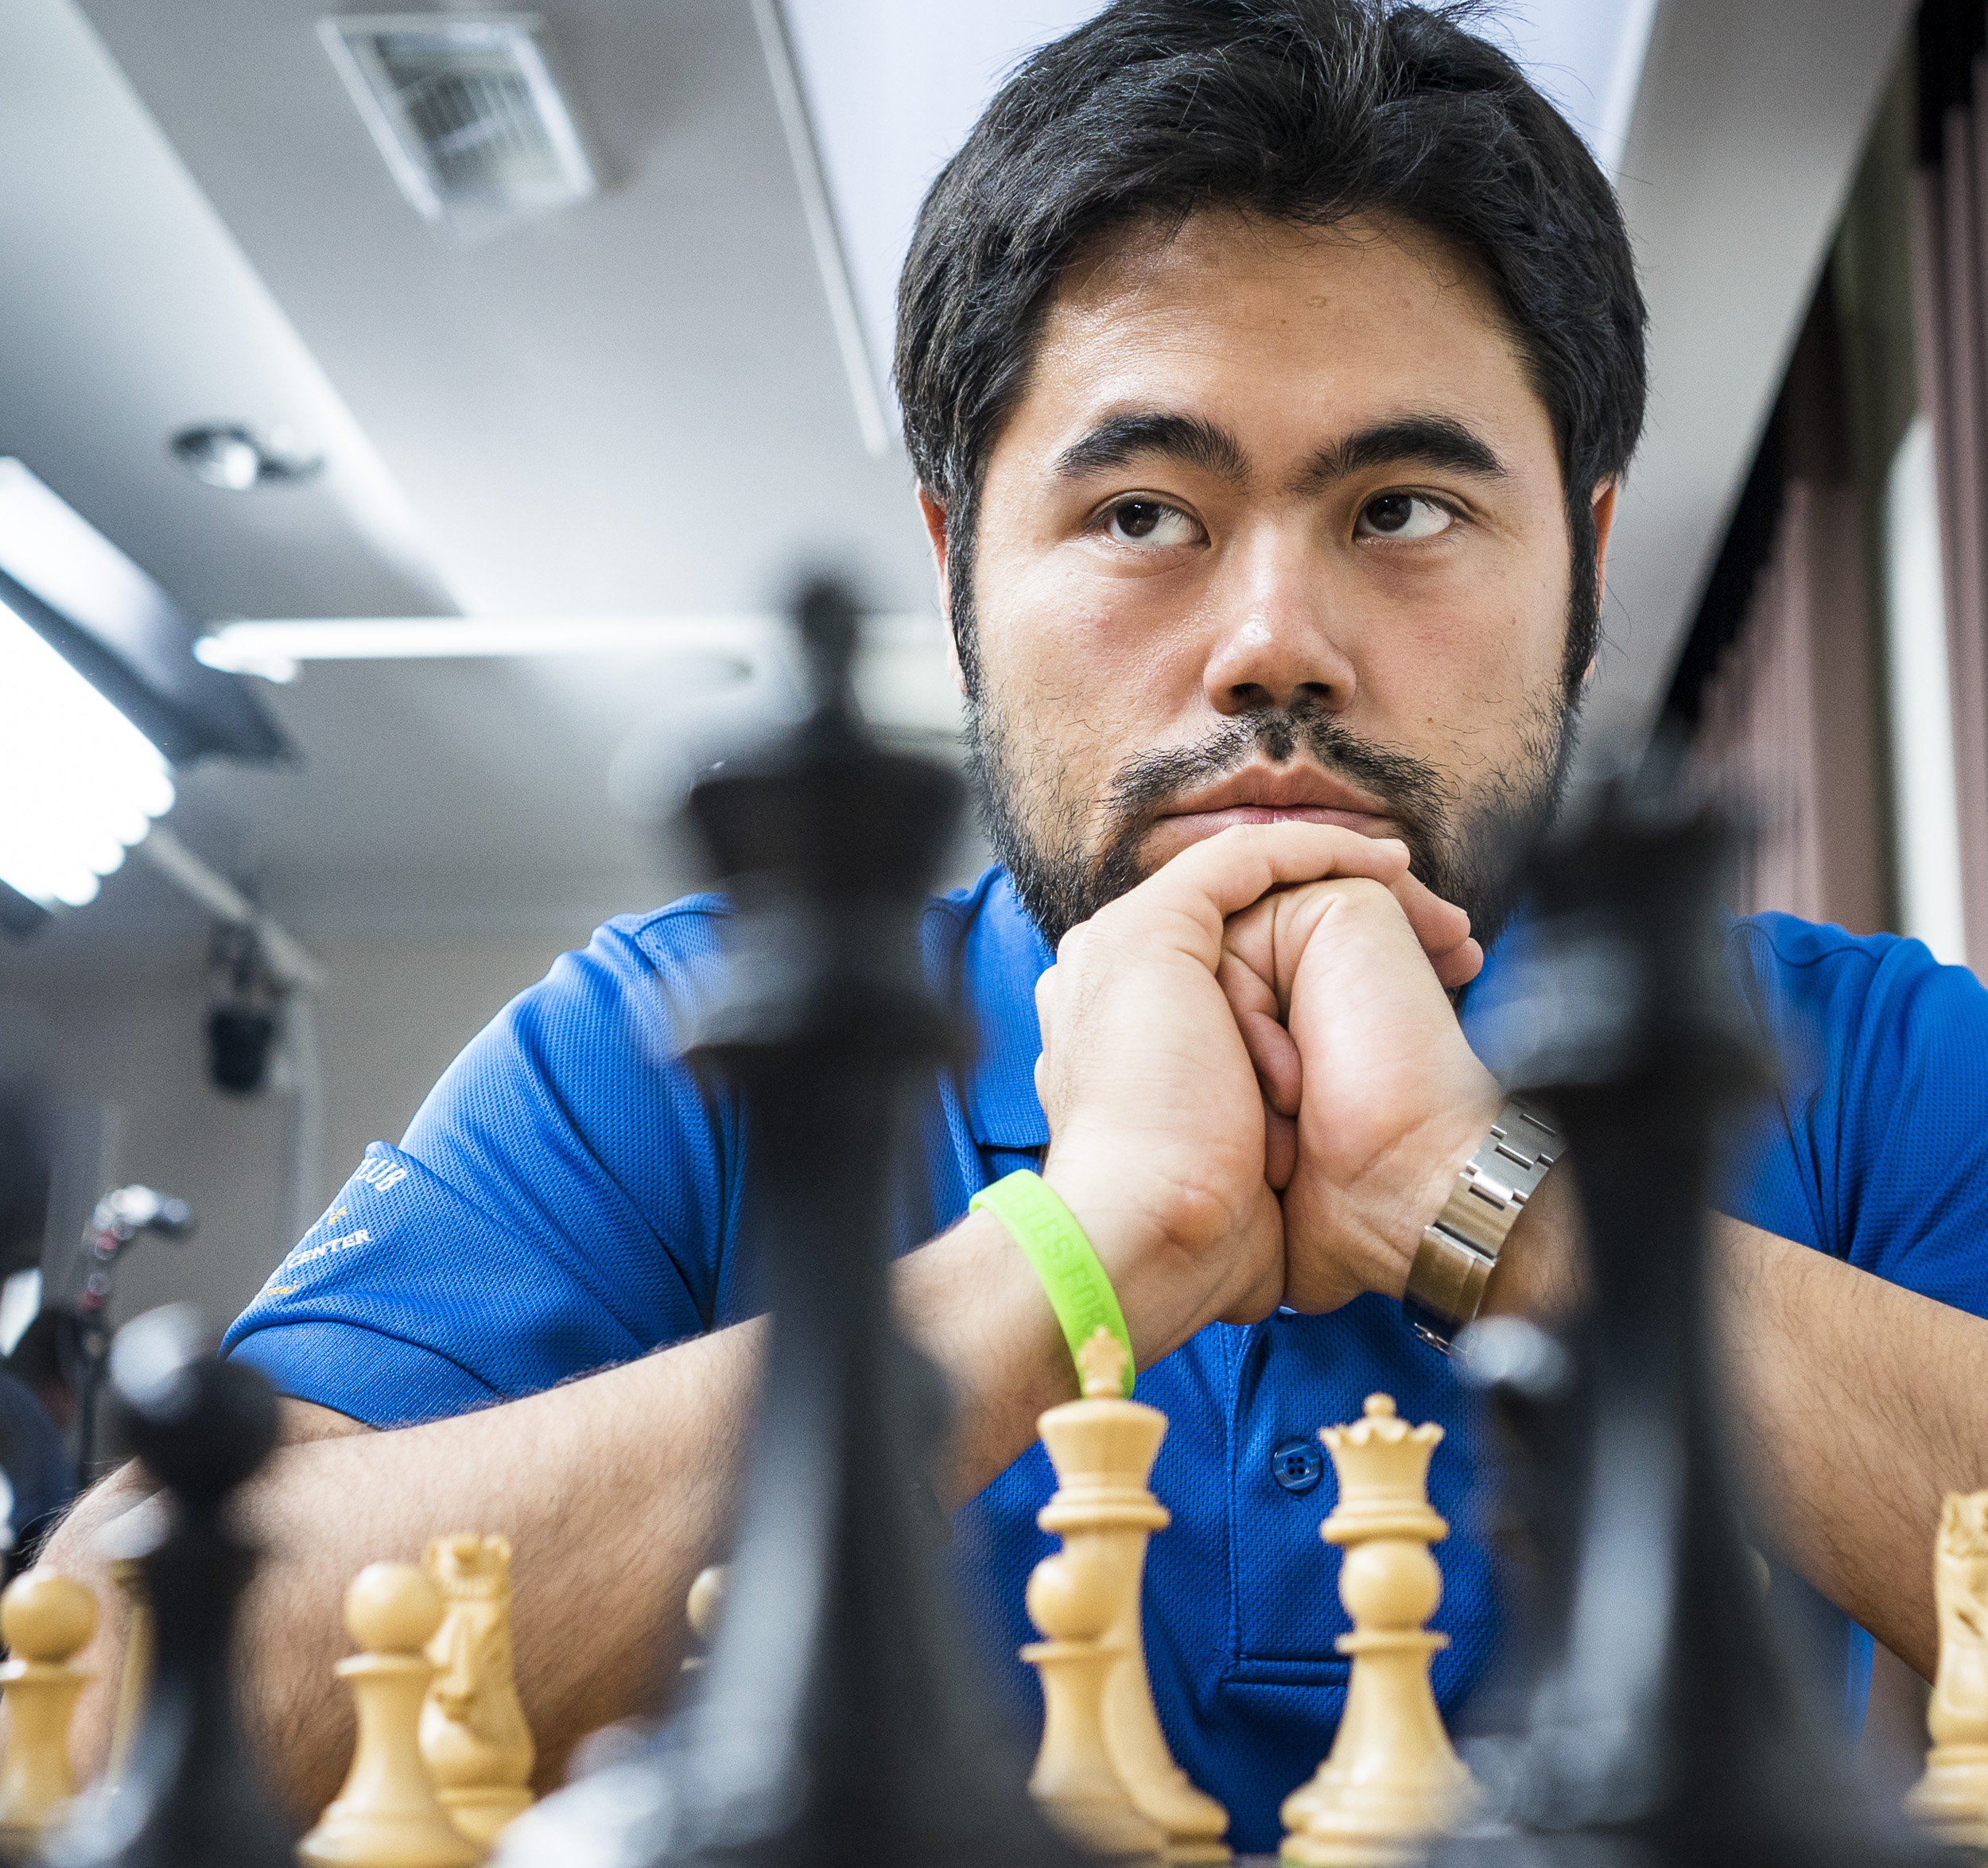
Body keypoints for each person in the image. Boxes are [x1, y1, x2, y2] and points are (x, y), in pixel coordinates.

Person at [40, 0, 1988, 1850]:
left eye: (1401, 507)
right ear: (958, 558)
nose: (1270, 645)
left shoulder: (1871, 1062)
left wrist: (1481, 1195)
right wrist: (1080, 1246)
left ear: (1584, 554)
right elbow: (103, 1692)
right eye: (1140, 511)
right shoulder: (672, 1043)